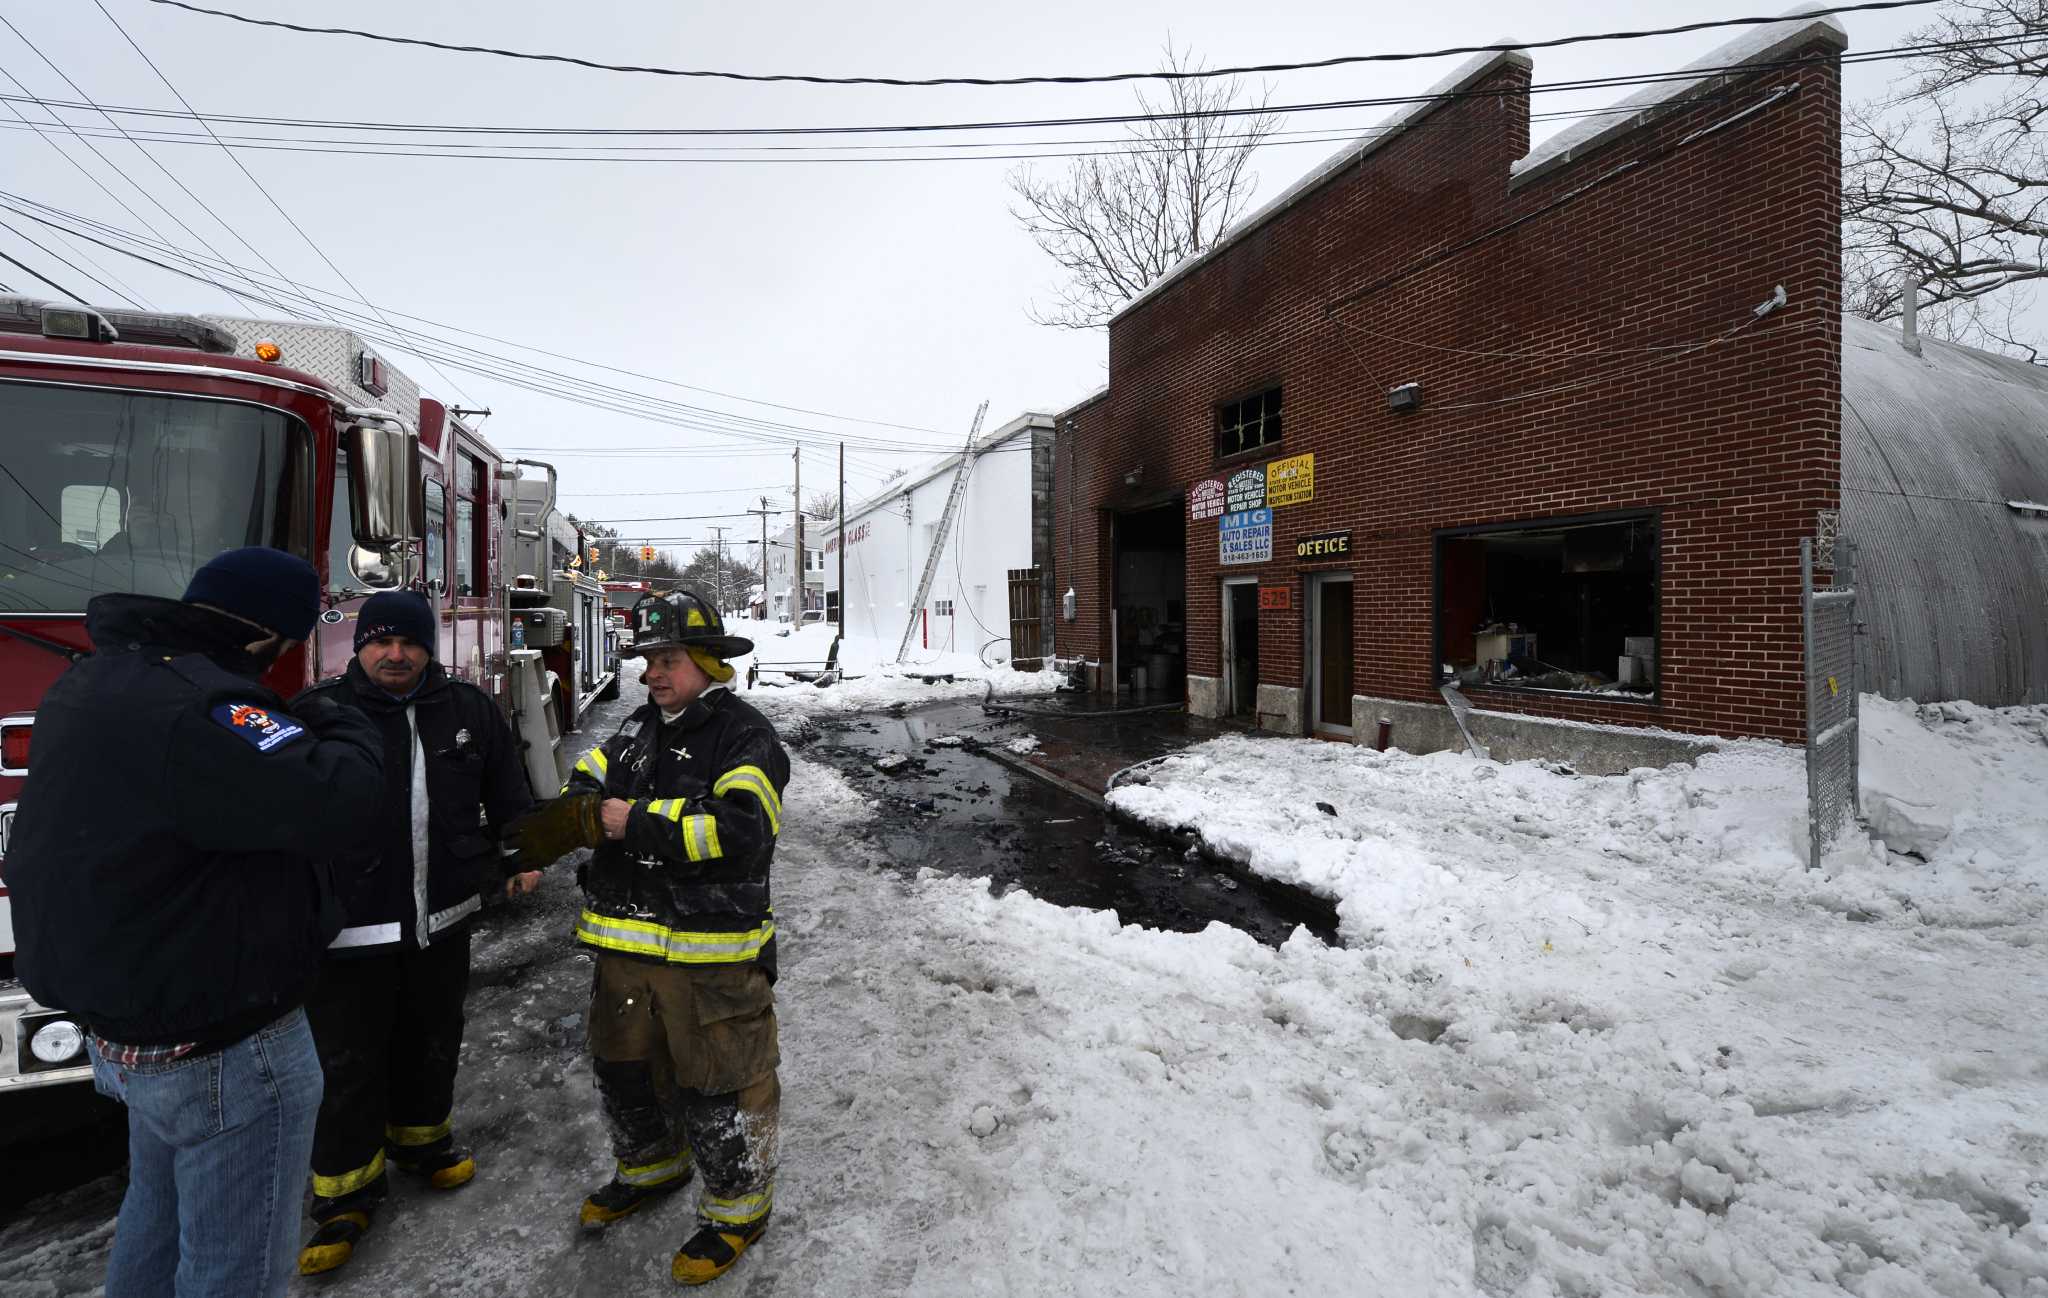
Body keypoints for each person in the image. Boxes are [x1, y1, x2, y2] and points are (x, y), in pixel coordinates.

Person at [6, 546, 384, 1298]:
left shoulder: (90, 681)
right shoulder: (205, 707)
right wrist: (336, 717)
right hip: (225, 1045)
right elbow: (342, 800)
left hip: (130, 1026)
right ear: (265, 635)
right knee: (236, 1270)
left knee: (157, 1215)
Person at [508, 588, 788, 1287]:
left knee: (722, 1082)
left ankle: (737, 1211)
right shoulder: (637, 728)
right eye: (647, 660)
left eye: (668, 660)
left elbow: (741, 830)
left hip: (710, 957)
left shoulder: (746, 737)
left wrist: (630, 821)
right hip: (624, 949)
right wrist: (571, 820)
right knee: (625, 1067)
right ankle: (651, 1166)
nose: (652, 673)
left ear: (706, 661)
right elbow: (583, 785)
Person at [290, 590, 537, 1275]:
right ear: (360, 646)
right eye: (382, 642)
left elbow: (508, 792)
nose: (396, 655)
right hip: (347, 933)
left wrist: (522, 857)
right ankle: (344, 1194)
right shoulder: (317, 714)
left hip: (444, 917)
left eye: (411, 643)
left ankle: (424, 1144)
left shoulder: (468, 710)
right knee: (347, 1062)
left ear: (430, 648)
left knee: (432, 1039)